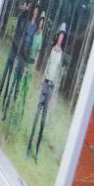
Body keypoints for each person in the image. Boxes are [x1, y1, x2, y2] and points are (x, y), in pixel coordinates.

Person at [27, 26, 67, 161]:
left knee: (43, 121)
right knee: (36, 118)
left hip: (51, 87)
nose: (60, 39)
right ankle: (28, 149)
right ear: (57, 37)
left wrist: (54, 95)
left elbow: (59, 75)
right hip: (45, 84)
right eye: (59, 36)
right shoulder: (52, 51)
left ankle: (36, 152)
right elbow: (46, 68)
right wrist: (40, 86)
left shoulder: (62, 54)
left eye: (62, 37)